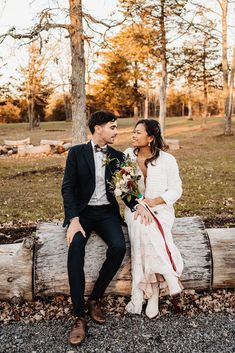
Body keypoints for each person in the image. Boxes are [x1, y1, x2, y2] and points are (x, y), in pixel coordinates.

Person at [61, 111, 150, 346]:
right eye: (112, 127)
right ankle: (79, 314)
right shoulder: (77, 153)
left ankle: (95, 298)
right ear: (97, 128)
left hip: (106, 213)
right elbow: (68, 188)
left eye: (116, 127)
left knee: (119, 247)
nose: (116, 131)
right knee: (76, 247)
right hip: (83, 213)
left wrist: (139, 206)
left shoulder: (118, 157)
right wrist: (73, 219)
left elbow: (127, 191)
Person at [124, 119, 184, 319]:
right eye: (133, 131)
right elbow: (124, 190)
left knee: (146, 228)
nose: (133, 135)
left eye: (138, 132)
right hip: (135, 209)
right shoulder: (126, 156)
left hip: (161, 209)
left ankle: (151, 294)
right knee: (142, 223)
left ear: (150, 138)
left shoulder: (168, 160)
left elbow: (176, 190)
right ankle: (166, 277)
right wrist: (140, 205)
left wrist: (154, 202)